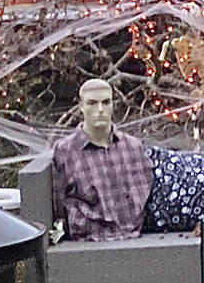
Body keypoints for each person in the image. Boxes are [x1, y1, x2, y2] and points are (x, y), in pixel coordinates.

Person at [50, 78, 153, 241]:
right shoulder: (65, 151)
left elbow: (144, 192)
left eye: (106, 102)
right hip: (89, 241)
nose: (100, 110)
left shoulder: (132, 147)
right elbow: (58, 204)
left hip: (133, 238)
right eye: (92, 103)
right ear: (81, 106)